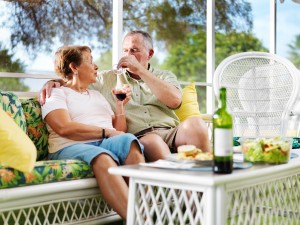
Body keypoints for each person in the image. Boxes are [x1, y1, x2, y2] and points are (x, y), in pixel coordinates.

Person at [39, 30, 211, 162]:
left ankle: (206, 184)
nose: (128, 55)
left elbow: (175, 100)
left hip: (171, 131)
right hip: (143, 137)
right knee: (155, 142)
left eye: (134, 50)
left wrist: (141, 71)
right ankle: (180, 199)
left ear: (149, 54)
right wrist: (54, 82)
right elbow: (77, 78)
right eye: (125, 50)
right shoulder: (108, 78)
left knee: (196, 124)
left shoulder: (164, 76)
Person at [41, 45, 145, 220]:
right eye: (90, 61)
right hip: (70, 145)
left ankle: (142, 211)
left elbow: (119, 132)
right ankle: (139, 221)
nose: (96, 66)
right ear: (74, 67)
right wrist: (105, 132)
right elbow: (63, 127)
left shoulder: (97, 95)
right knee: (103, 157)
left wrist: (120, 107)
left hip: (102, 141)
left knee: (130, 142)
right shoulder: (56, 93)